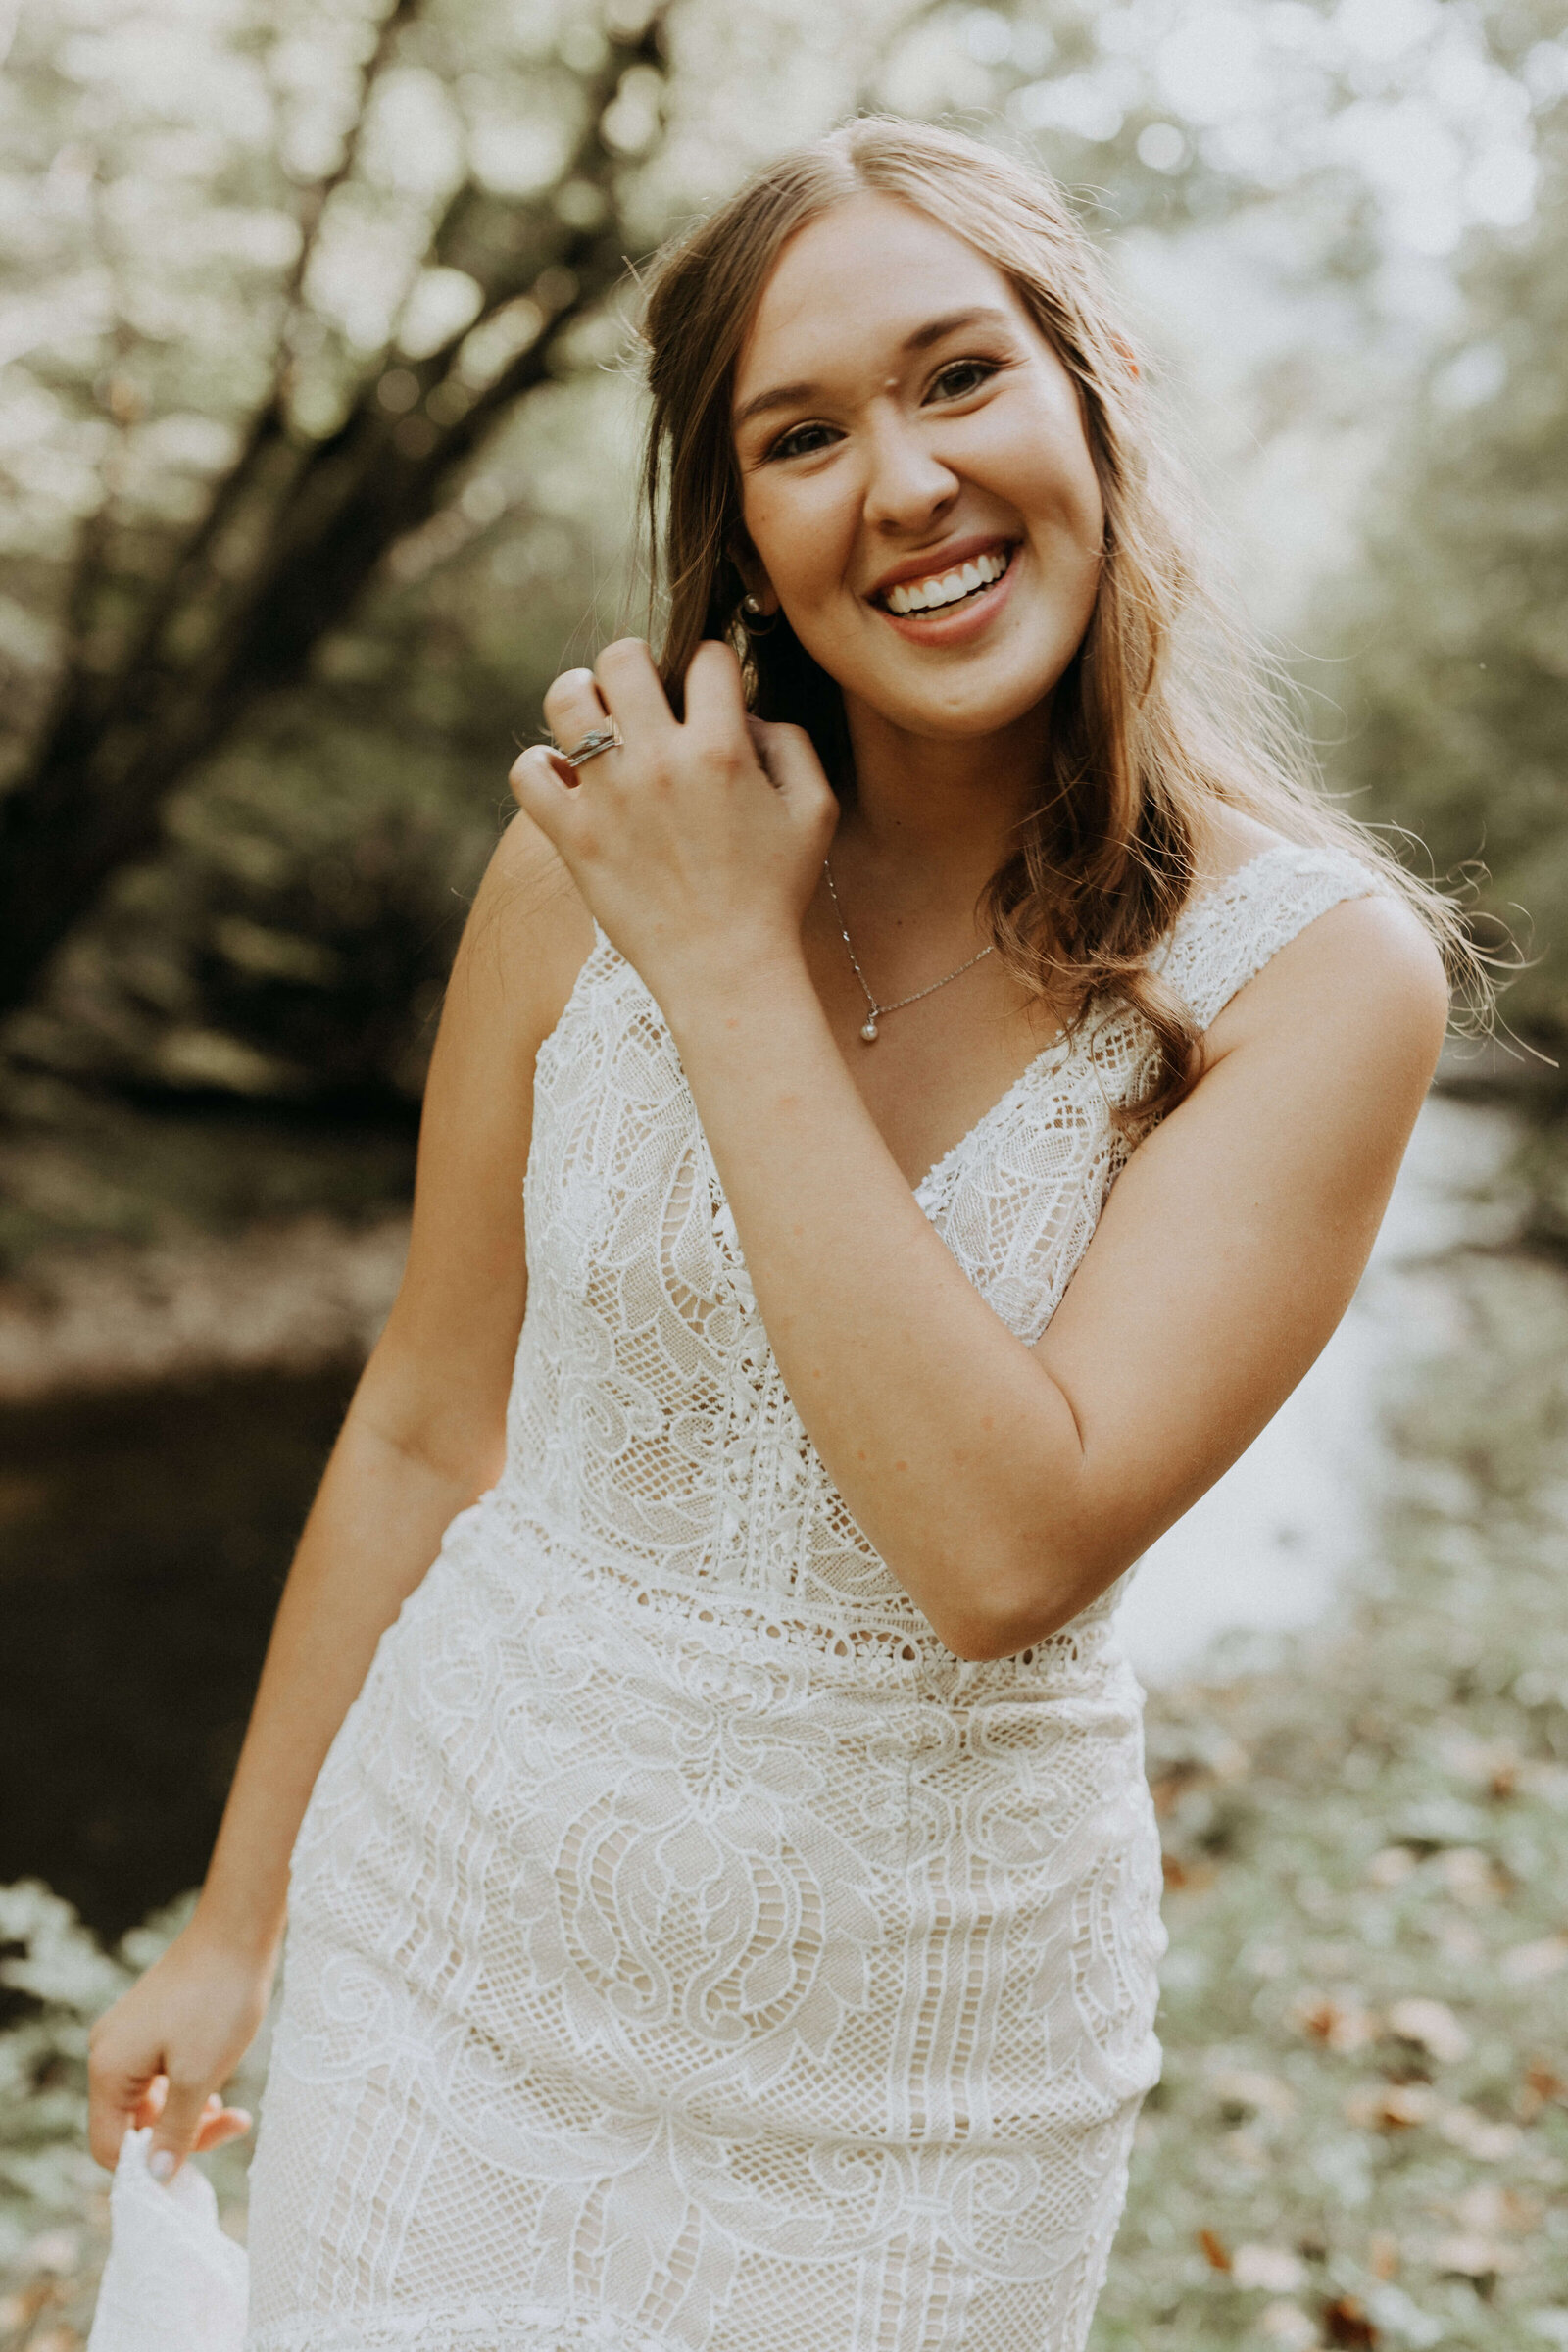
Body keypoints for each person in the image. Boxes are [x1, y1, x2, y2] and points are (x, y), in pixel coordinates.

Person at [87, 116, 1465, 2352]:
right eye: (798, 434)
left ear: (1086, 392)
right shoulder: (580, 865)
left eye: (952, 378)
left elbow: (998, 1547)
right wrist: (239, 1924)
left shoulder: (1312, 979)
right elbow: (429, 1426)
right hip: (437, 1961)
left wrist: (730, 975)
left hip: (910, 2105)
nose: (899, 483)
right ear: (733, 530)